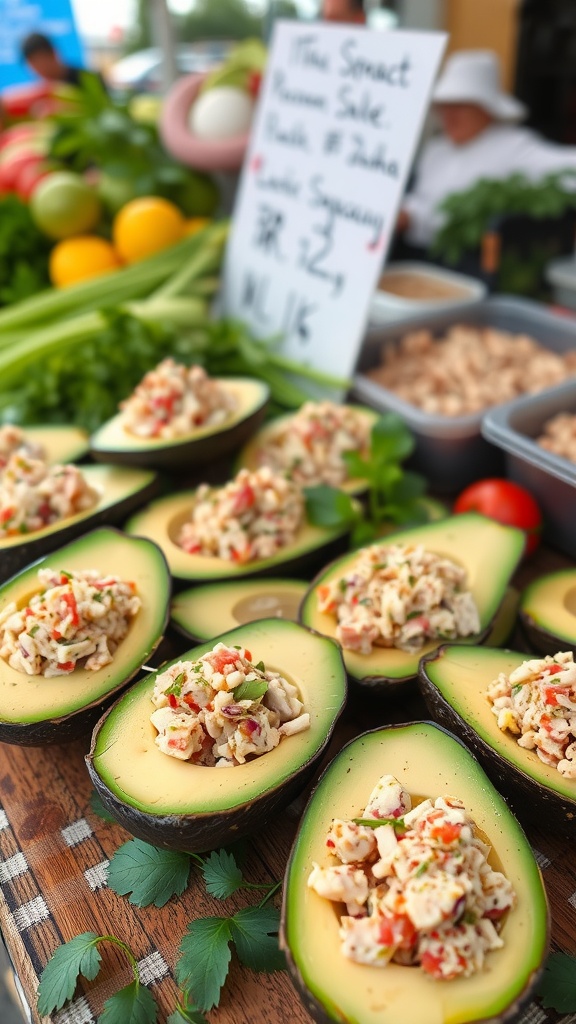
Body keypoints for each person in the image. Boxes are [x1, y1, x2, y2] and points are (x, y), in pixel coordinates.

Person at [398, 49, 576, 250]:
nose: (450, 115)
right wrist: (406, 214)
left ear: (486, 108)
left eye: (461, 106)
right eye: (445, 105)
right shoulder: (436, 149)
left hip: (472, 264)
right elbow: (422, 200)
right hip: (417, 254)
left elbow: (568, 168)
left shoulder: (513, 146)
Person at [20, 32, 88, 88]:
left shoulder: (86, 80)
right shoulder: (40, 93)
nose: (40, 69)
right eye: (32, 64)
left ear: (53, 53)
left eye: (41, 61)